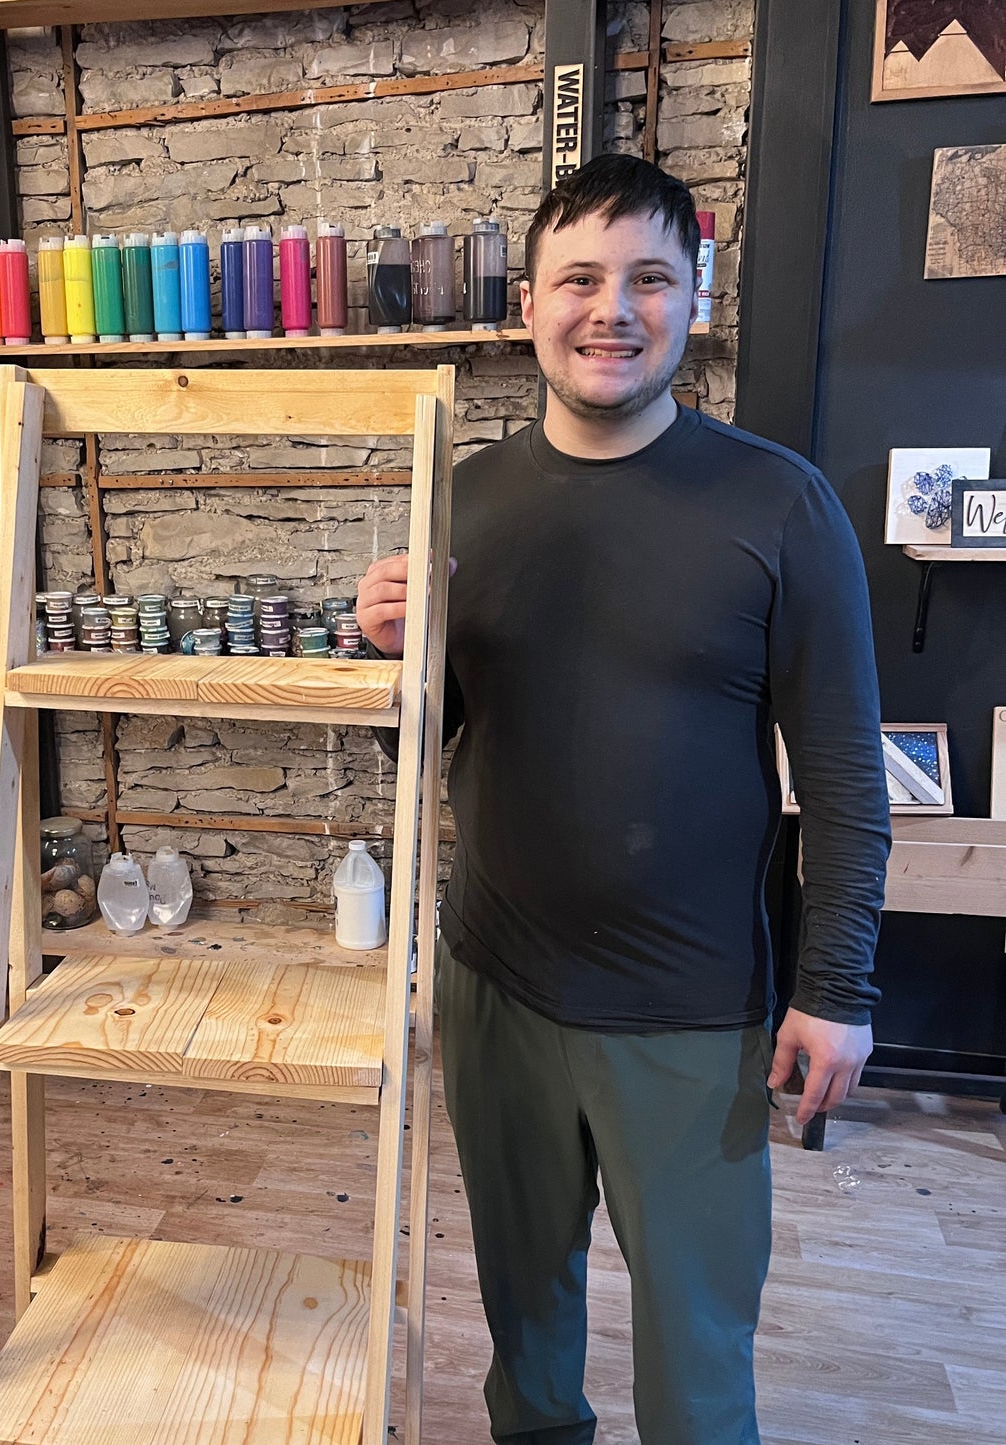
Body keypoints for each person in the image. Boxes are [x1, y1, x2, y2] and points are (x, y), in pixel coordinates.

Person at [357, 154, 889, 1445]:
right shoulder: (463, 499)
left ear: (691, 300)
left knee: (697, 1355)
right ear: (528, 304)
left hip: (688, 1011)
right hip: (494, 989)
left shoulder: (778, 501)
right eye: (579, 277)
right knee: (524, 1327)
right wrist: (394, 665)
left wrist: (837, 987)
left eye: (649, 277)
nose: (613, 307)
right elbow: (431, 753)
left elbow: (839, 770)